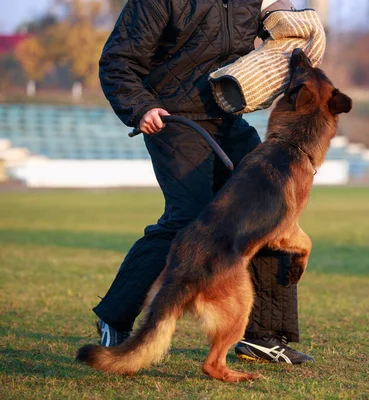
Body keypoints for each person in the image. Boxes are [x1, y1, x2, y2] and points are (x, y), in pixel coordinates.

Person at [93, 0, 314, 364]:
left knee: (270, 209)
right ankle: (115, 316)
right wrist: (141, 106)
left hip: (228, 116)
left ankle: (263, 336)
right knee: (188, 218)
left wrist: (293, 19)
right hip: (173, 117)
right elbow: (118, 61)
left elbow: (283, 36)